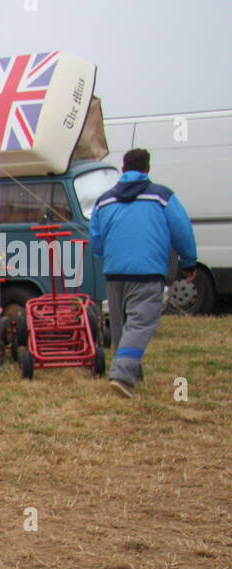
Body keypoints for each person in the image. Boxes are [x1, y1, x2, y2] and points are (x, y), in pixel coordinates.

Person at [89, 148, 199, 398]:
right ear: (148, 169)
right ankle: (122, 376)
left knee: (121, 327)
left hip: (114, 271)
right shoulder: (163, 196)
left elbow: (95, 238)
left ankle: (131, 373)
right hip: (147, 271)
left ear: (123, 168)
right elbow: (181, 229)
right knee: (140, 324)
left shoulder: (104, 200)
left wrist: (104, 255)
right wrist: (189, 262)